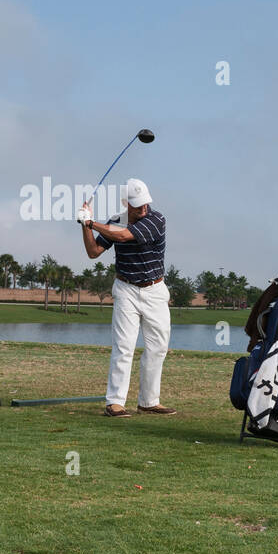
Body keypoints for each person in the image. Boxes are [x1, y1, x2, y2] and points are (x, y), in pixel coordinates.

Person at [80, 178, 174, 417]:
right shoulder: (114, 222)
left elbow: (122, 236)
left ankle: (149, 401)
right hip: (126, 290)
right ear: (125, 203)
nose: (143, 208)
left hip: (155, 290)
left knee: (158, 348)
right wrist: (84, 226)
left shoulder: (156, 220)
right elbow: (93, 252)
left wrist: (92, 223)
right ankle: (115, 402)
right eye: (137, 205)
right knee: (124, 347)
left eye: (145, 203)